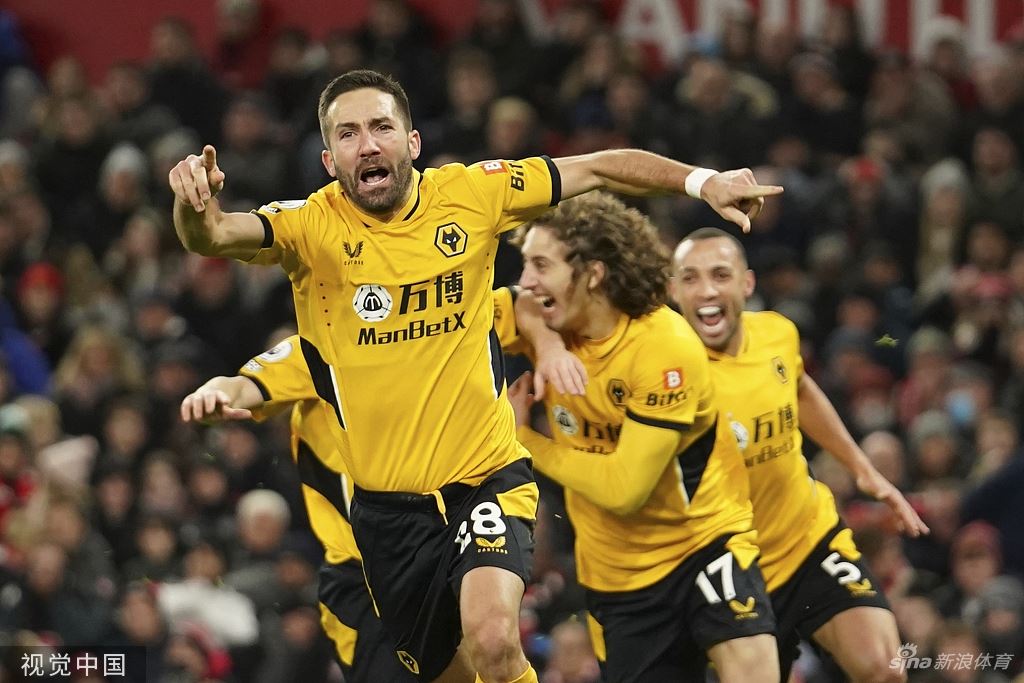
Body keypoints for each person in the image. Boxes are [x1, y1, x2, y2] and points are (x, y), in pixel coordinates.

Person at [168, 68, 781, 683]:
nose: (369, 144)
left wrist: (703, 182)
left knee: (493, 640)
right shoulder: (308, 228)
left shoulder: (473, 194)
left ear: (412, 142)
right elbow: (214, 234)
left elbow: (598, 168)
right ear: (330, 160)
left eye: (382, 127)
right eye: (349, 134)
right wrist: (193, 205)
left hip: (483, 480)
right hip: (388, 516)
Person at [502, 192, 779, 683]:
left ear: (593, 274)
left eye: (541, 265)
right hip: (617, 577)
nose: (527, 280)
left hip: (703, 545)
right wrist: (544, 343)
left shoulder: (662, 345)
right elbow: (458, 316)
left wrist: (523, 440)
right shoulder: (550, 317)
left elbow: (624, 489)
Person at [669, 227, 929, 682]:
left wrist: (862, 469)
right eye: (690, 278)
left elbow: (801, 387)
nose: (706, 290)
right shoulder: (666, 371)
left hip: (806, 540)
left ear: (747, 283)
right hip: (729, 566)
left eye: (720, 275)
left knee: (886, 668)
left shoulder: (777, 333)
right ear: (673, 291)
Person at [179, 334, 417, 683]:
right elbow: (243, 385)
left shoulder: (432, 339)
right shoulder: (318, 350)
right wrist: (215, 392)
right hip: (357, 571)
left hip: (433, 548)